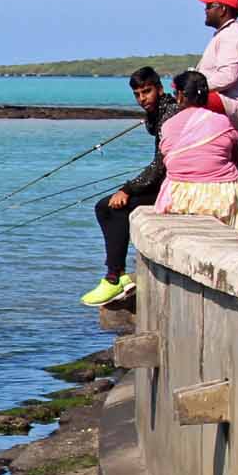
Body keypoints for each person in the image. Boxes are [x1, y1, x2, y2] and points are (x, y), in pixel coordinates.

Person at [81, 66, 178, 306]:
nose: (142, 98)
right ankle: (119, 276)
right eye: (137, 94)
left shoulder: (170, 115)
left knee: (111, 207)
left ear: (160, 89)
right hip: (167, 181)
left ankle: (114, 278)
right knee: (105, 207)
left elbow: (160, 166)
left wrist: (128, 188)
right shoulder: (160, 112)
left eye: (147, 92)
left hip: (174, 185)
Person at [153, 70, 238, 229]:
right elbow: (237, 157)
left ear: (180, 95)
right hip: (220, 195)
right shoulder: (223, 122)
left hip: (180, 194)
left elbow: (166, 158)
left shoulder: (168, 125)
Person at [193, 0, 238, 129]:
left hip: (231, 105)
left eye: (209, 6)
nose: (205, 10)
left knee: (187, 97)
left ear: (223, 9)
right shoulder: (227, 33)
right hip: (228, 104)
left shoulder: (232, 35)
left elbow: (227, 77)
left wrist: (194, 86)